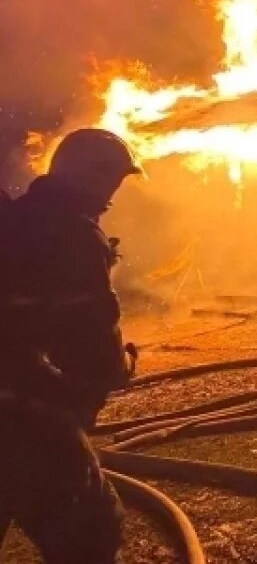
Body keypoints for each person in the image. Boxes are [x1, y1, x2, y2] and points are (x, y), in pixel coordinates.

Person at [0, 128, 141, 563]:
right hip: (21, 416)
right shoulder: (74, 236)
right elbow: (93, 340)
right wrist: (120, 367)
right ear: (91, 178)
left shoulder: (17, 220)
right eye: (112, 180)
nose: (112, 194)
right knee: (89, 532)